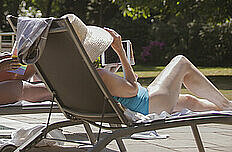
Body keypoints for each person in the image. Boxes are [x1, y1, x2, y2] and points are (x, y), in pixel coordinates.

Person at [97, 28, 232, 116]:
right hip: (149, 104)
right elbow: (132, 88)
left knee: (189, 101)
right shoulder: (101, 75)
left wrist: (113, 69)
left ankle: (226, 109)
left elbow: (124, 89)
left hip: (146, 101)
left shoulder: (93, 76)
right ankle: (226, 105)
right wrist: (121, 52)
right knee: (181, 61)